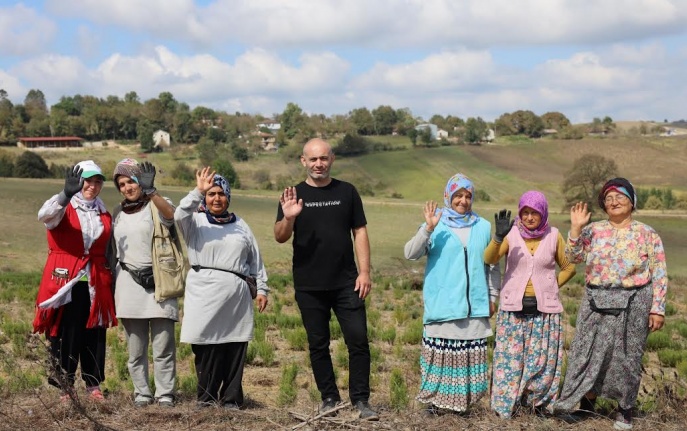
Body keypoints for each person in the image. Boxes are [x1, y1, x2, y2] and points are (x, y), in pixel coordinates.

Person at [274, 138, 379, 421]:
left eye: (323, 158)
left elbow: (360, 232)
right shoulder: (292, 194)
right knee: (317, 344)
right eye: (313, 159)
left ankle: (361, 400)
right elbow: (280, 236)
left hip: (347, 282)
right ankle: (329, 398)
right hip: (309, 285)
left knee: (358, 341)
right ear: (303, 161)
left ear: (331, 159)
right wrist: (289, 218)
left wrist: (365, 271)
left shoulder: (347, 192)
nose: (318, 164)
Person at [554, 178, 668, 430]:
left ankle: (624, 410)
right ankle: (585, 405)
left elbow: (659, 272)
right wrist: (575, 229)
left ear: (632, 201)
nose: (614, 202)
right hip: (596, 300)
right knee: (587, 352)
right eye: (608, 198)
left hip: (635, 301)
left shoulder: (647, 233)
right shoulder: (593, 230)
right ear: (603, 205)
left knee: (627, 357)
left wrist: (657, 308)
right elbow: (574, 257)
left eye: (620, 196)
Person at [403, 173, 499, 415]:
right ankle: (436, 406)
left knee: (470, 361)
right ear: (448, 196)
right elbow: (410, 253)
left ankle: (463, 408)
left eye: (468, 196)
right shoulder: (437, 224)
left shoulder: (484, 226)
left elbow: (493, 266)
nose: (463, 201)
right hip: (443, 305)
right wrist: (427, 229)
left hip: (474, 306)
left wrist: (492, 297)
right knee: (440, 359)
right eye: (458, 195)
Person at [175, 167, 269, 409]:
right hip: (203, 292)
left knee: (234, 346)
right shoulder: (194, 222)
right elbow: (178, 214)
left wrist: (262, 289)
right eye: (211, 194)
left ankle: (231, 399)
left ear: (228, 197)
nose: (216, 198)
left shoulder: (241, 225)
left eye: (221, 194)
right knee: (205, 347)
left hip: (235, 295)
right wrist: (197, 191)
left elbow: (255, 260)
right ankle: (206, 398)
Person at [483, 191, 576, 418]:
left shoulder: (554, 235)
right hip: (512, 309)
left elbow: (569, 267)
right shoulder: (511, 234)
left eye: (535, 212)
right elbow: (489, 259)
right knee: (509, 361)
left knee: (542, 362)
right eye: (525, 212)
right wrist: (498, 237)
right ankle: (506, 407)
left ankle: (537, 407)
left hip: (545, 311)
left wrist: (550, 286)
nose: (529, 217)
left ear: (543, 213)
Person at [33, 160, 117, 401]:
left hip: (95, 281)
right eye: (87, 180)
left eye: (97, 181)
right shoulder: (63, 207)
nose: (92, 185)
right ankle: (65, 385)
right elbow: (44, 216)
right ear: (78, 182)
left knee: (94, 333)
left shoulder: (103, 213)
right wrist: (65, 194)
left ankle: (93, 384)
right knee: (66, 332)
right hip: (66, 279)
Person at [110, 158, 178, 408]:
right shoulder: (118, 212)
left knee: (163, 346)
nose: (128, 187)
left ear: (142, 181)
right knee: (135, 349)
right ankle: (142, 392)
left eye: (132, 181)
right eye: (122, 184)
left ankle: (165, 393)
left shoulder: (158, 204)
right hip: (128, 283)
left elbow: (171, 217)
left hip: (159, 281)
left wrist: (152, 192)